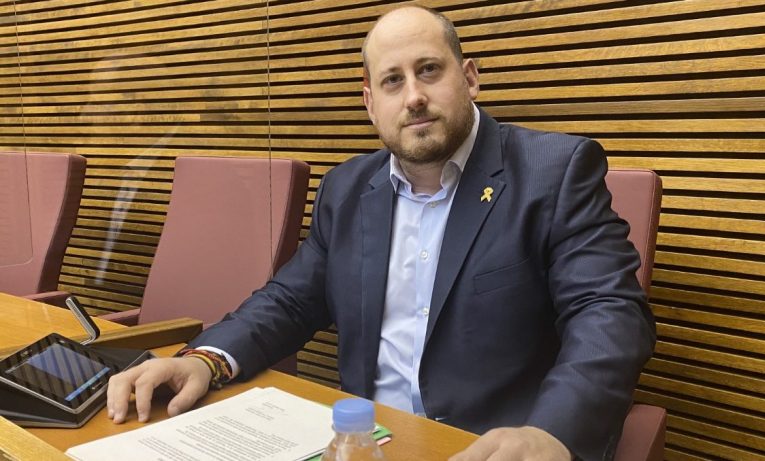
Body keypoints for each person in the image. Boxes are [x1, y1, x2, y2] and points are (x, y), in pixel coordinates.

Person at [106, 5, 656, 460]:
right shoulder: (348, 188)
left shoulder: (553, 172)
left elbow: (608, 313)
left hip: (489, 447)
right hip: (367, 444)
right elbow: (291, 301)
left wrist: (550, 434)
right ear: (371, 103)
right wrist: (205, 360)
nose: (413, 96)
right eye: (393, 80)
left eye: (429, 70)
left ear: (469, 78)